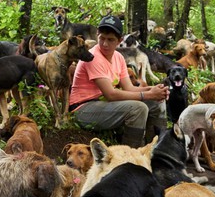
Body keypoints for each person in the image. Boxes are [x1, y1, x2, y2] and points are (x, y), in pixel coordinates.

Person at [69, 15, 169, 148]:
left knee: (157, 103)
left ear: (119, 41)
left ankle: (157, 150)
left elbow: (129, 88)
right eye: (102, 38)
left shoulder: (118, 57)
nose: (105, 43)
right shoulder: (93, 57)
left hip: (103, 104)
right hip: (83, 109)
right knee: (138, 108)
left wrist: (154, 90)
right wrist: (148, 94)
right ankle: (131, 157)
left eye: (110, 40)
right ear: (97, 35)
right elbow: (111, 94)